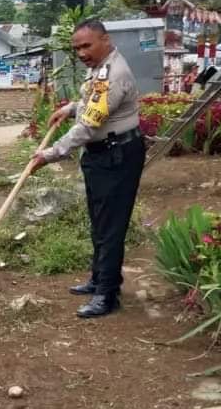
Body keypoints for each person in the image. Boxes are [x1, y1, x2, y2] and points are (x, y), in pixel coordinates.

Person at [31, 19, 143, 319]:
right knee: (99, 221)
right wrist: (68, 109)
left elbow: (89, 125)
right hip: (101, 155)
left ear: (105, 40)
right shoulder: (100, 67)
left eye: (86, 46)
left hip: (117, 155)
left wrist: (51, 154)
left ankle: (107, 294)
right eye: (77, 47)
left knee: (110, 227)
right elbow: (88, 101)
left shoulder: (114, 74)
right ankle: (98, 279)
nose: (81, 53)